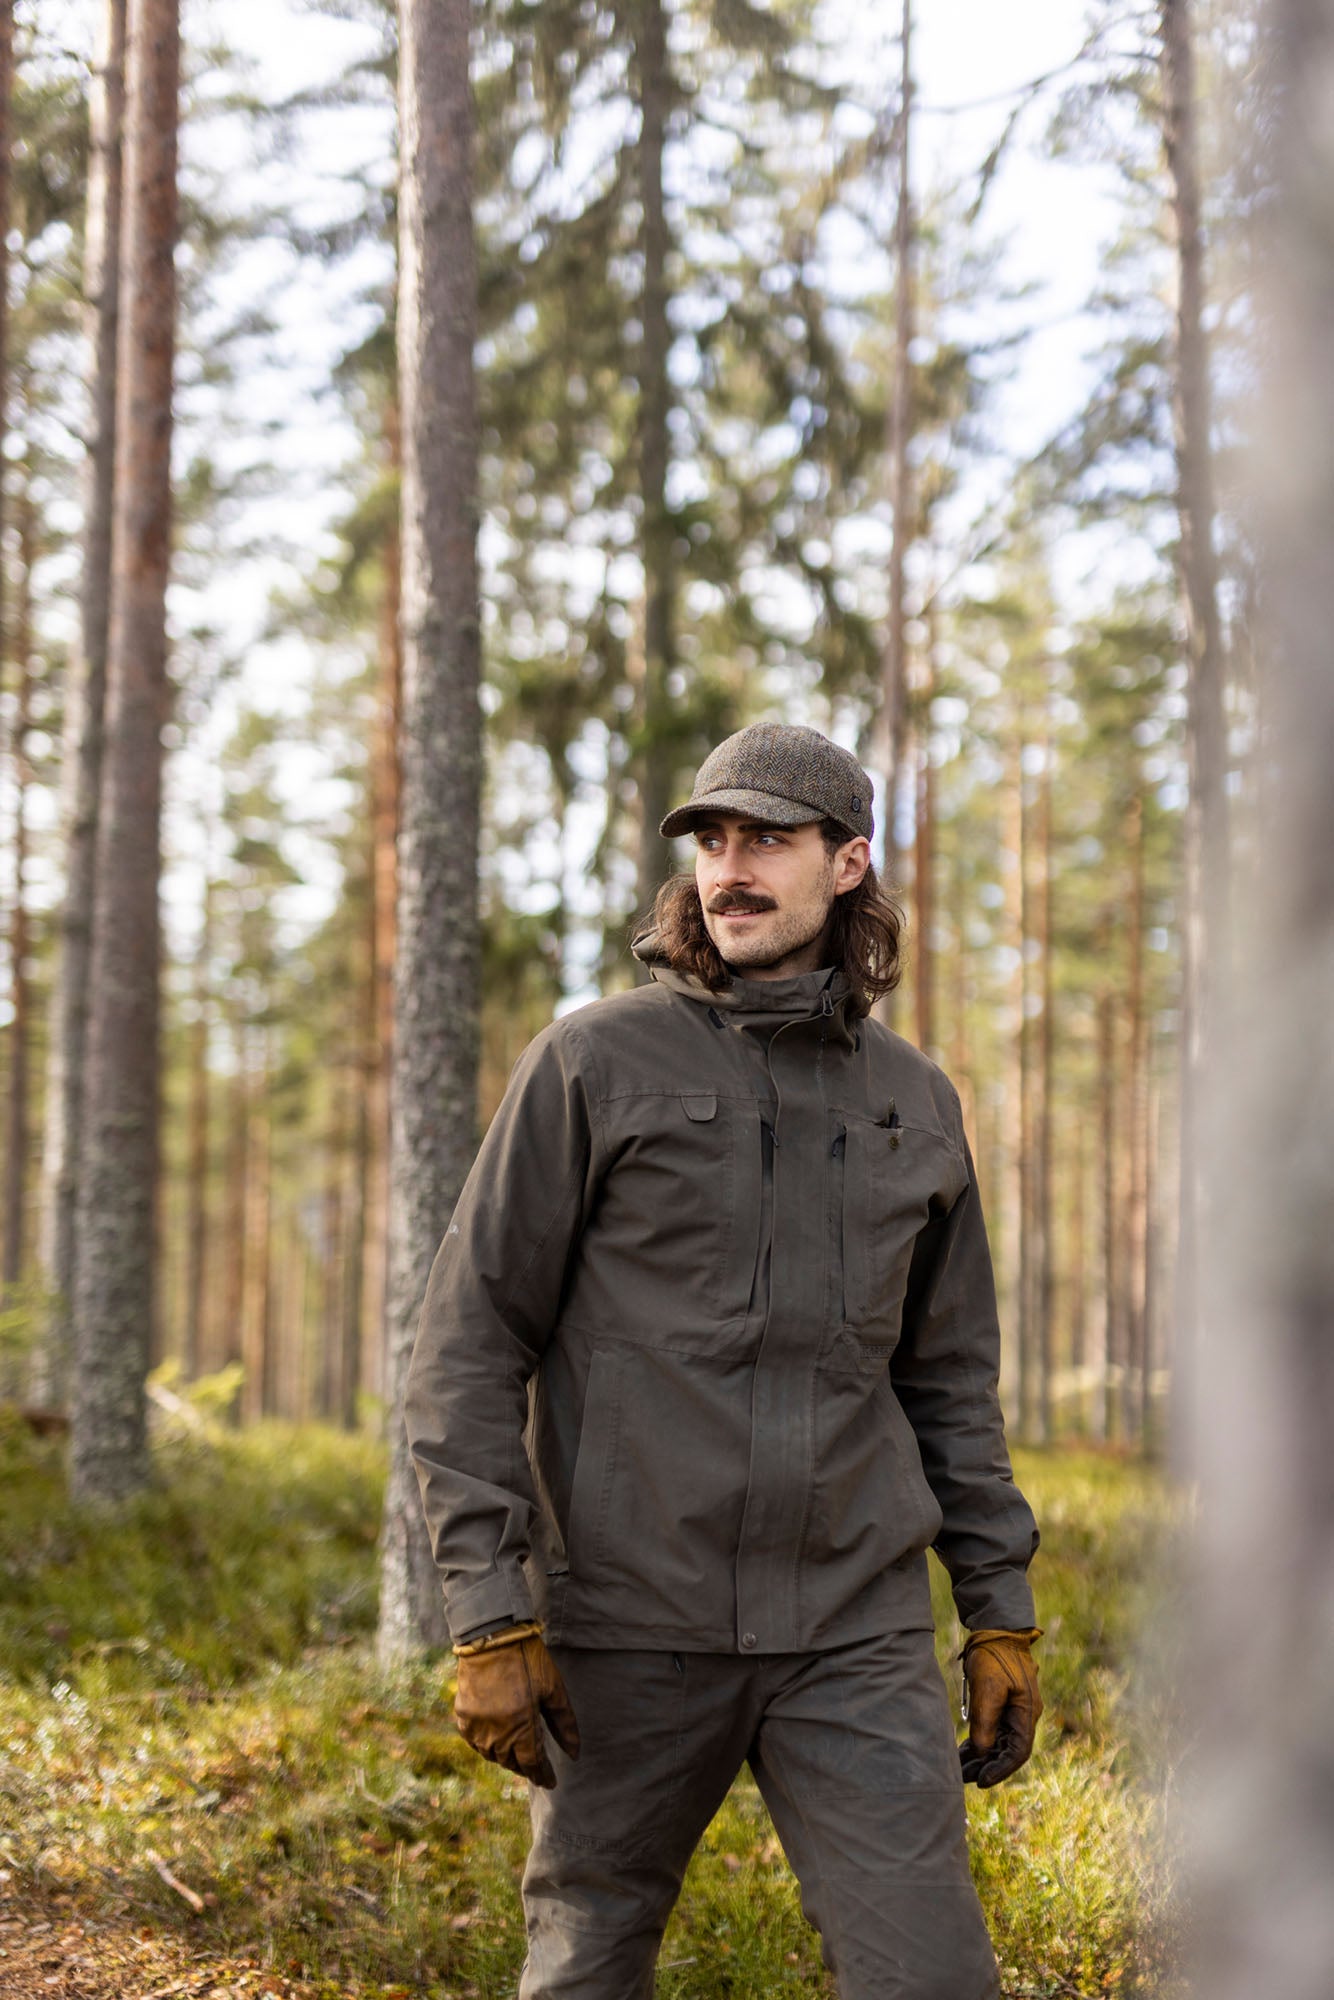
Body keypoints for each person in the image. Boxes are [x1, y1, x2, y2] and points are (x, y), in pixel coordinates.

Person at [406, 722, 1042, 2000]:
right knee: (586, 1964)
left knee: (931, 1976)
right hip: (629, 1625)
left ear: (848, 861)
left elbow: (944, 1383)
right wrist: (487, 1605)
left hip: (851, 1632)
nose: (728, 868)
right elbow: (469, 1340)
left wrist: (997, 1604)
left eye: (767, 838)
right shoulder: (591, 1062)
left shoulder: (914, 1102)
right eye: (711, 838)